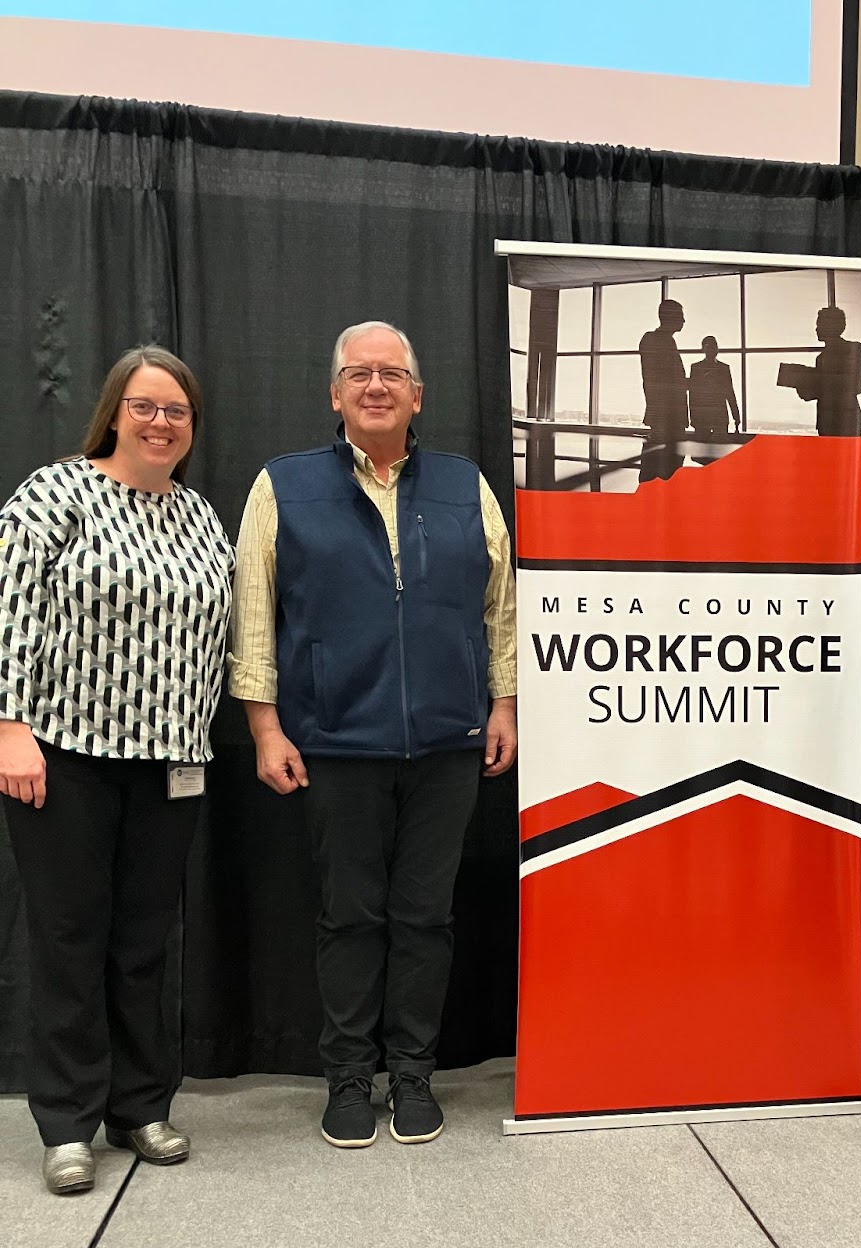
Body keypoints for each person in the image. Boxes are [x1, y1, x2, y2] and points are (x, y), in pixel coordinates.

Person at [227, 320, 517, 1151]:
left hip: (450, 743)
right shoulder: (283, 485)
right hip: (333, 743)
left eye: (392, 374)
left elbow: (500, 605)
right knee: (349, 917)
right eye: (360, 374)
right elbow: (254, 612)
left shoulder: (466, 485)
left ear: (417, 395)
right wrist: (265, 727)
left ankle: (413, 1073)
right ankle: (350, 1077)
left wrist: (504, 706)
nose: (377, 387)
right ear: (334, 393)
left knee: (426, 918)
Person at [0, 346, 234, 1194]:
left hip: (169, 762)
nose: (161, 421)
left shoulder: (202, 516)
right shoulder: (54, 494)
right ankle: (66, 1122)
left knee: (143, 943)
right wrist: (8, 728)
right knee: (68, 938)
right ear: (113, 411)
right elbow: (11, 611)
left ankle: (139, 1106)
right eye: (145, 405)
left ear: (192, 424)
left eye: (176, 410)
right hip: (63, 757)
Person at [781, 305, 861, 436]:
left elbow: (856, 386)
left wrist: (810, 384)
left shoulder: (853, 349)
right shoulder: (823, 357)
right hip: (830, 421)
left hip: (845, 419)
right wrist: (803, 387)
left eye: (819, 324)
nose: (816, 329)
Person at [638, 299, 689, 482]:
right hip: (667, 418)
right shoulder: (657, 341)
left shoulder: (662, 341)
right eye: (681, 317)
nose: (684, 321)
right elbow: (659, 381)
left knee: (661, 471)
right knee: (664, 472)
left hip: (667, 418)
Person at [688, 337, 741, 439]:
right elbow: (693, 395)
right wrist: (693, 418)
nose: (712, 349)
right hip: (705, 417)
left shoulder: (723, 368)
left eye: (714, 346)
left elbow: (730, 393)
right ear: (703, 349)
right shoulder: (697, 368)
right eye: (709, 347)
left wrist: (736, 416)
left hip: (716, 417)